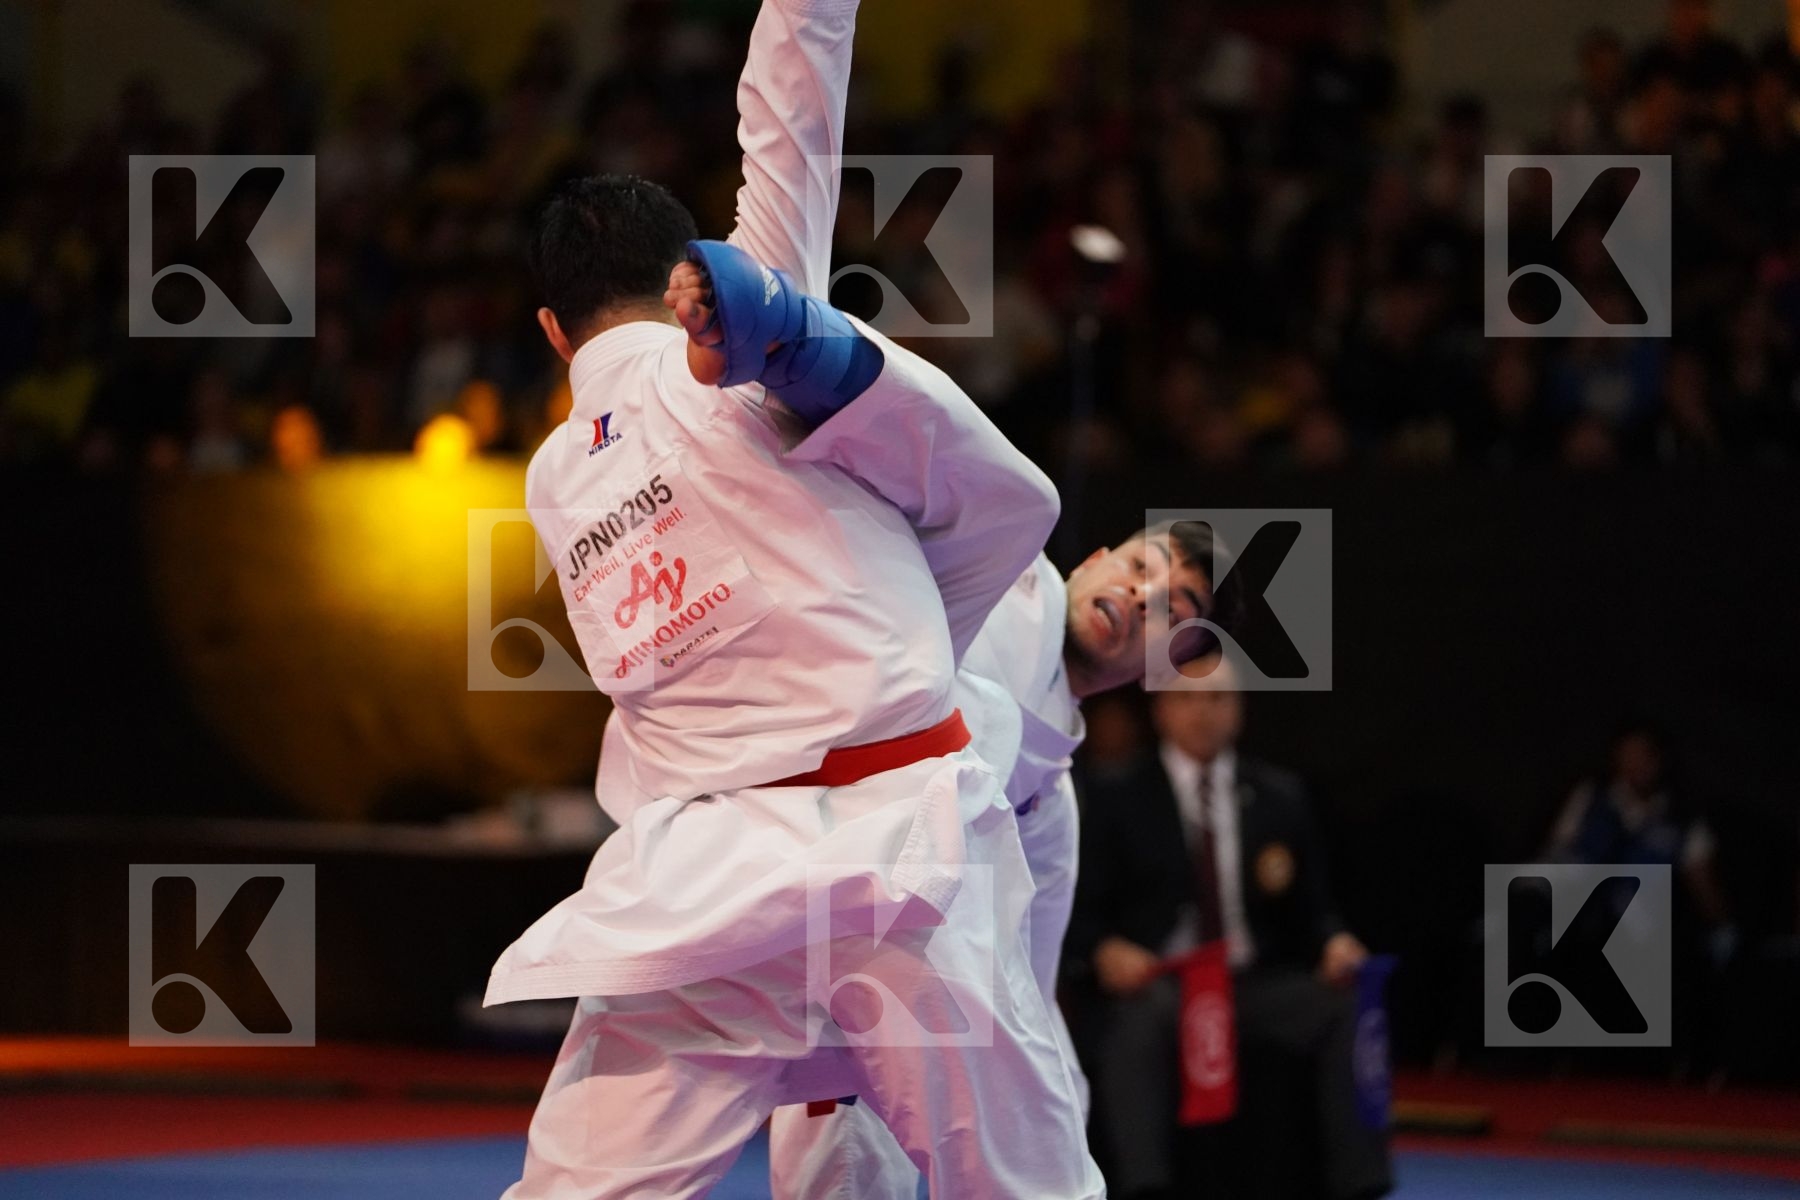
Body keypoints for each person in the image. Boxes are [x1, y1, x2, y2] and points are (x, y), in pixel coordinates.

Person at [483, 1, 1102, 1196]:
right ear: (680, 280)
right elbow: (790, 124)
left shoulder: (554, 477)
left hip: (701, 902)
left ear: (554, 331)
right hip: (899, 868)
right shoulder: (730, 342)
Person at [766, 524, 1228, 1198]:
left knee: (1041, 1109)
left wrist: (1058, 1109)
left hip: (874, 973)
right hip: (784, 856)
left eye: (1172, 611)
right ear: (1096, 560)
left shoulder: (1049, 805)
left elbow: (1028, 995)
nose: (1139, 594)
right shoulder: (1000, 562)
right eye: (1138, 565)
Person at [1067, 656, 1393, 1200]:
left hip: (1250, 982)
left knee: (1347, 1003)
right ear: (1162, 710)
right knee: (1141, 1022)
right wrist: (1105, 950)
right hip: (1162, 981)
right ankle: (1148, 1188)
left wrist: (1335, 942)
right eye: (1189, 699)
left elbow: (1314, 911)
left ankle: (1359, 1183)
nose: (1204, 713)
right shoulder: (1114, 795)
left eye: (1218, 698)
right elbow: (1078, 912)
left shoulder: (1280, 795)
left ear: (1239, 709)